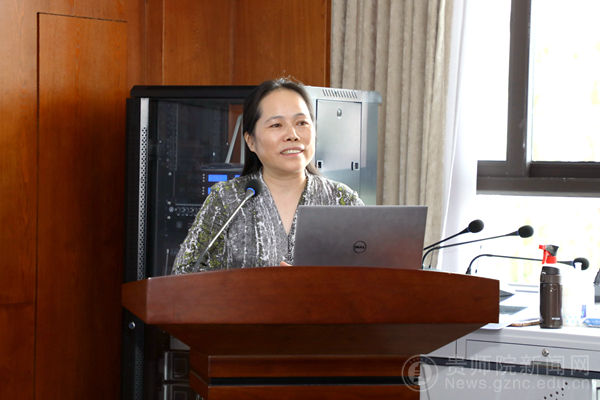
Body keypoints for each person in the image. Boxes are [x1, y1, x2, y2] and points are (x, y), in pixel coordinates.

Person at [172, 78, 363, 274]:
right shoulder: (228, 199)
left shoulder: (341, 200)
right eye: (276, 125)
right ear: (251, 141)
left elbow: (371, 274)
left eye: (302, 123)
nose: (292, 134)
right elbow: (184, 273)